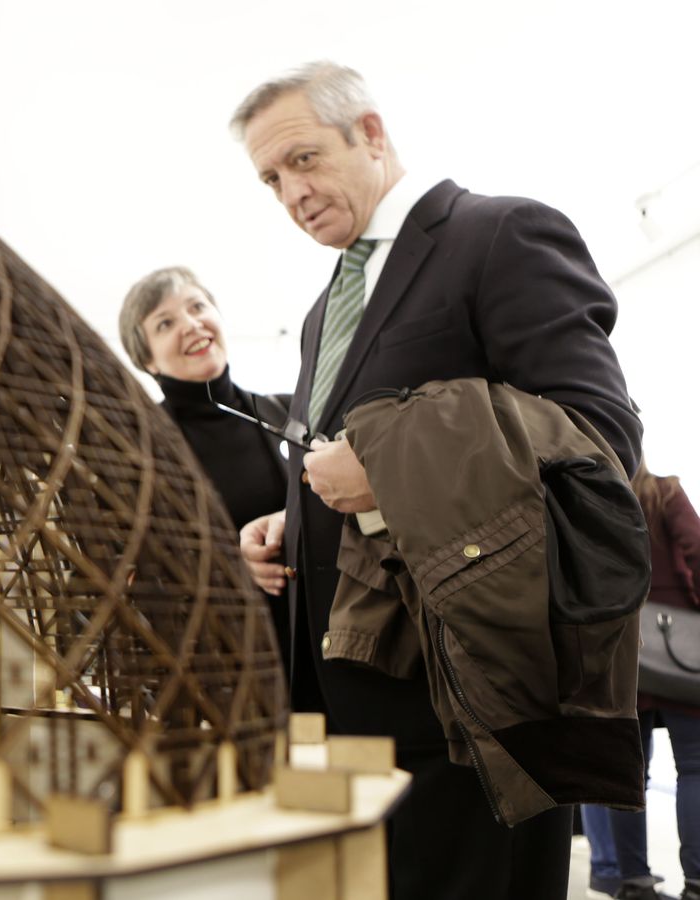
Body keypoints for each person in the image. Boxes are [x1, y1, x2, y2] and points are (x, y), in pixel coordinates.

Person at [229, 61, 642, 900]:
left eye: (304, 160)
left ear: (371, 134)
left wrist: (383, 465)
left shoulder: (500, 234)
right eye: (272, 180)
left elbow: (600, 442)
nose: (291, 194)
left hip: (463, 702)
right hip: (345, 698)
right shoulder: (324, 310)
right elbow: (355, 465)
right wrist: (293, 517)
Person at [117, 266, 292, 651]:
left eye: (197, 306)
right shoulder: (137, 451)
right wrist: (231, 567)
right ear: (147, 360)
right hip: (223, 664)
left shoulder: (292, 415)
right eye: (165, 323)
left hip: (320, 655)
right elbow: (137, 574)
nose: (191, 324)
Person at [599, 467, 700, 900]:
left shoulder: (595, 492)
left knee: (627, 774)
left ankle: (634, 883)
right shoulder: (665, 491)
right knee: (695, 768)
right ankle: (697, 882)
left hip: (621, 647)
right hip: (680, 650)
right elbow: (697, 547)